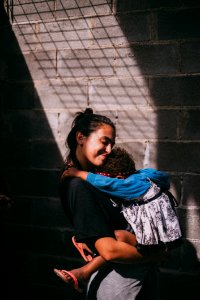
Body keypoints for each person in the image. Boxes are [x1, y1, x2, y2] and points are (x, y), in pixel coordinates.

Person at [54, 107, 167, 300]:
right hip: (118, 281)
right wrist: (156, 255)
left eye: (111, 144)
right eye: (104, 142)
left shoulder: (99, 177)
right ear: (81, 138)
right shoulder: (78, 186)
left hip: (138, 276)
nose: (109, 150)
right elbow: (110, 250)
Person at [54, 147, 182, 292]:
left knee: (118, 237)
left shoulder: (133, 184)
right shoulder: (142, 178)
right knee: (119, 237)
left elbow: (110, 184)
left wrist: (79, 173)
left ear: (119, 177)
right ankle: (84, 270)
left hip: (155, 239)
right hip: (154, 239)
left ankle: (84, 270)